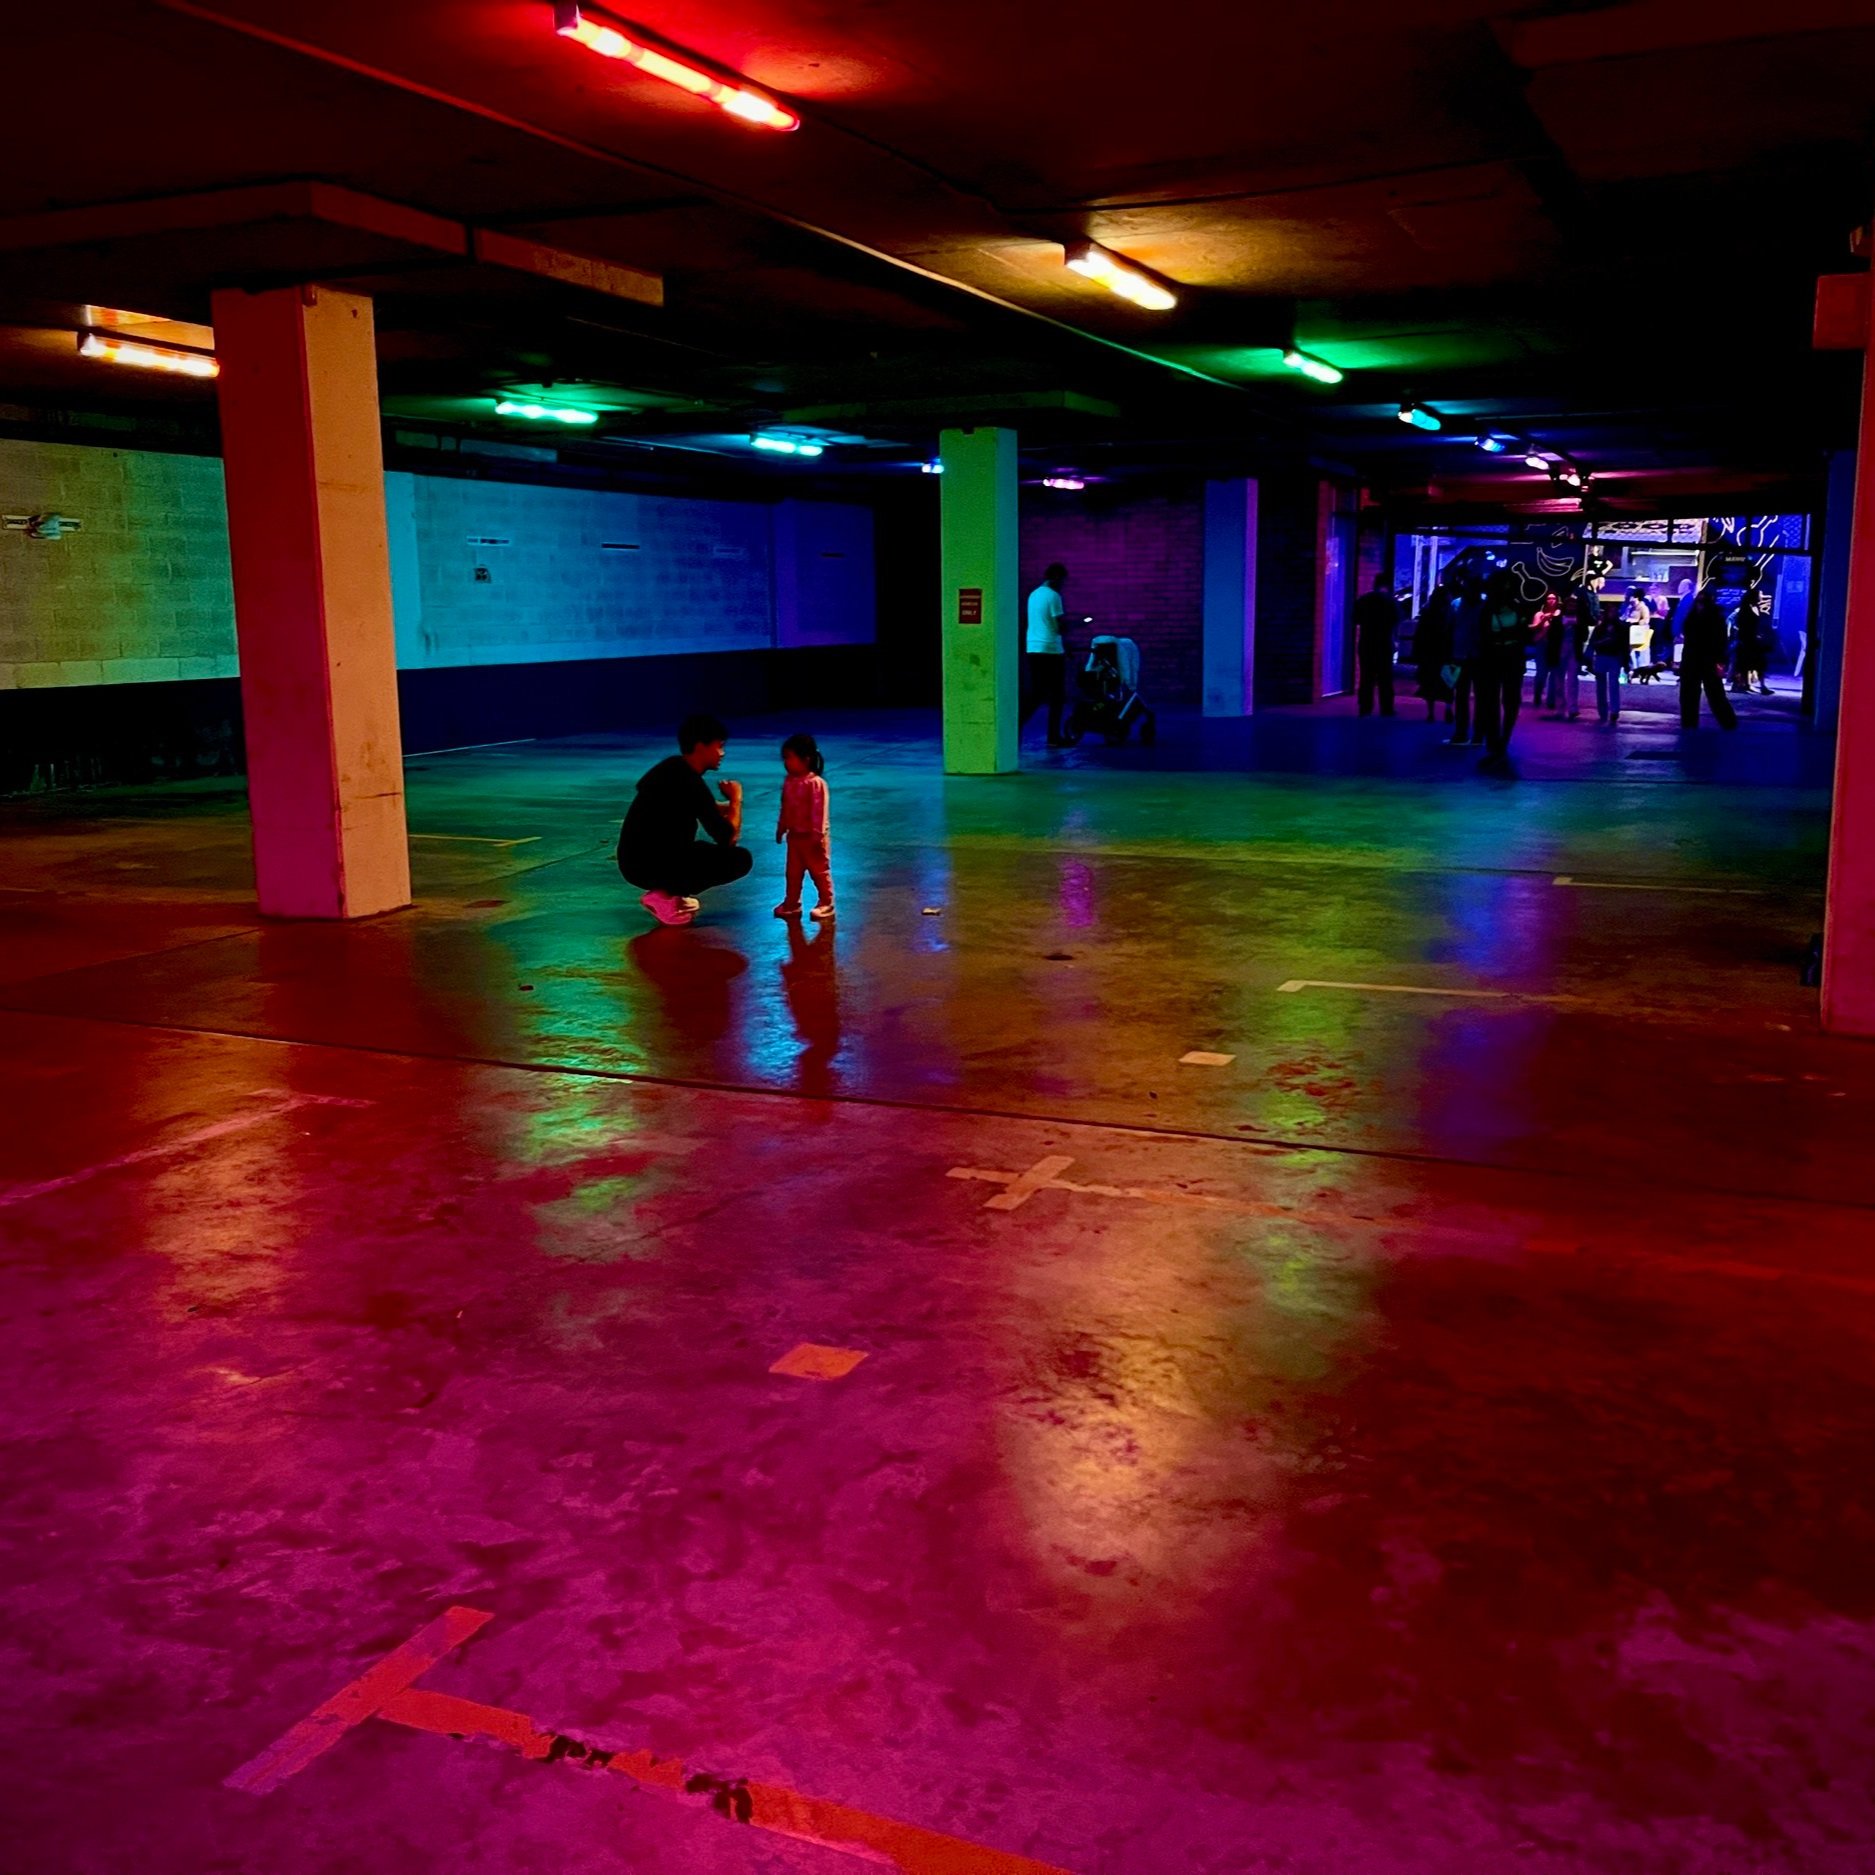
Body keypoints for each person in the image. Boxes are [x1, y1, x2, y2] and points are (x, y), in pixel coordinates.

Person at [616, 712, 752, 926]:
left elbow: (698, 804)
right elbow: (728, 838)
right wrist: (736, 799)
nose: (722, 753)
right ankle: (663, 896)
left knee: (699, 849)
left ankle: (672, 892)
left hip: (634, 861)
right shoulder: (690, 781)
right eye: (719, 746)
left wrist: (722, 807)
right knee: (739, 859)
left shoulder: (672, 768)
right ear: (701, 747)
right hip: (650, 865)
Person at [773, 731, 834, 922]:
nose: (786, 762)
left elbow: (819, 812)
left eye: (790, 757)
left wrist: (817, 835)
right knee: (793, 873)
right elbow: (785, 807)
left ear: (806, 759)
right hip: (795, 837)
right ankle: (792, 903)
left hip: (813, 839)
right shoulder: (789, 782)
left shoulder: (816, 784)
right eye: (785, 758)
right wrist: (781, 827)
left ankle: (826, 902)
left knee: (819, 872)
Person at [1474, 569, 1530, 757]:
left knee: (1507, 700)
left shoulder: (1496, 609)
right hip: (1500, 658)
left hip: (1504, 658)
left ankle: (1501, 739)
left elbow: (1484, 635)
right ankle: (1497, 740)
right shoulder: (1492, 609)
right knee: (1496, 700)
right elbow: (1484, 636)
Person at [1021, 562, 1072, 746]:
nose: (1063, 584)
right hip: (1051, 650)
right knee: (1057, 696)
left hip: (1033, 648)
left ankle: (1015, 725)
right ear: (1056, 577)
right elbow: (1059, 627)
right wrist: (1074, 625)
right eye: (1063, 580)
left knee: (1037, 693)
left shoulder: (1034, 594)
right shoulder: (1053, 596)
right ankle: (1053, 737)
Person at [1678, 588, 1739, 731]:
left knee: (1708, 692)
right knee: (1707, 692)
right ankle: (1725, 722)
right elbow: (1720, 639)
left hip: (1703, 658)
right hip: (1700, 658)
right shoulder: (1709, 616)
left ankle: (1725, 722)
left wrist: (1720, 659)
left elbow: (1719, 640)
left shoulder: (1701, 616)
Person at [1444, 568, 1485, 746]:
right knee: (1479, 696)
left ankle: (1462, 733)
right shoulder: (1485, 604)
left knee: (1462, 695)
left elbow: (1449, 628)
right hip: (1477, 655)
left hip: (1461, 653)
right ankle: (1477, 734)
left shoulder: (1456, 604)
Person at [1354, 574, 1400, 716]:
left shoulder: (1364, 600)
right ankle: (1386, 708)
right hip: (1384, 643)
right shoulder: (1390, 601)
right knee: (1385, 677)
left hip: (1367, 642)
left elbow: (1355, 618)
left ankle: (1365, 706)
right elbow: (1397, 619)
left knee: (1366, 676)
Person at [1412, 578, 1456, 722]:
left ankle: (1430, 713)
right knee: (1448, 682)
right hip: (1447, 652)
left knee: (1430, 683)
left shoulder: (1428, 613)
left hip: (1430, 652)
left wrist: (1417, 652)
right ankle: (1448, 710)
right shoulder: (1451, 613)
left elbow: (1420, 634)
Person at [1589, 595, 1629, 724]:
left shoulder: (1606, 628)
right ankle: (1610, 711)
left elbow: (1625, 645)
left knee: (1609, 684)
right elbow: (1625, 645)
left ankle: (1611, 711)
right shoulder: (1618, 627)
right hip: (1607, 656)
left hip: (1611, 656)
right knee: (1608, 685)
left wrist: (1625, 660)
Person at [1529, 590, 1562, 708]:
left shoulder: (1559, 613)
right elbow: (1533, 627)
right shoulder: (1539, 614)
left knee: (1554, 673)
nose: (1551, 601)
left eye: (1553, 598)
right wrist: (1543, 620)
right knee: (1541, 673)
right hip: (1542, 644)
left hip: (1554, 646)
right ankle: (1537, 694)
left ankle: (1551, 700)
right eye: (1549, 598)